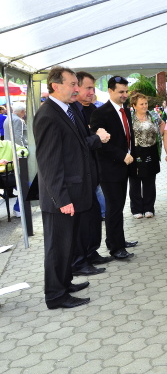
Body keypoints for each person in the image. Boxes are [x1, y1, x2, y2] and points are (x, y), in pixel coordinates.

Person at [34, 66, 109, 309]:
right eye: (73, 84)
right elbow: (49, 163)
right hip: (61, 198)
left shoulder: (66, 110)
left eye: (77, 84)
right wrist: (62, 199)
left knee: (67, 245)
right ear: (56, 86)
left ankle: (65, 283)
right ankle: (56, 295)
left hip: (74, 192)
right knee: (57, 248)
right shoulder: (48, 115)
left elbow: (76, 147)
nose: (77, 89)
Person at [90, 76, 138, 260]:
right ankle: (115, 247)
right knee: (114, 208)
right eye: (121, 92)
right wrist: (121, 155)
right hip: (110, 169)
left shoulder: (125, 110)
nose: (125, 95)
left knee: (118, 206)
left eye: (126, 91)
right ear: (110, 91)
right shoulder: (100, 113)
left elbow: (127, 136)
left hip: (124, 167)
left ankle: (119, 240)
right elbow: (100, 143)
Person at [71, 71, 113, 272]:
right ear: (76, 87)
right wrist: (97, 137)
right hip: (78, 176)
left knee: (94, 217)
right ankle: (80, 260)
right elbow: (76, 144)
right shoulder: (72, 111)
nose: (92, 92)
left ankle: (91, 252)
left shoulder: (92, 110)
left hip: (94, 172)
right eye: (88, 88)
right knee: (84, 219)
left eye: (93, 88)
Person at [129, 92, 165, 219]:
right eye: (141, 104)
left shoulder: (153, 115)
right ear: (134, 106)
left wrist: (158, 136)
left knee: (150, 181)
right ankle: (136, 209)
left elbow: (162, 124)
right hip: (135, 152)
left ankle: (149, 208)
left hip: (151, 150)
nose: (145, 106)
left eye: (146, 103)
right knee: (135, 181)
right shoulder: (129, 118)